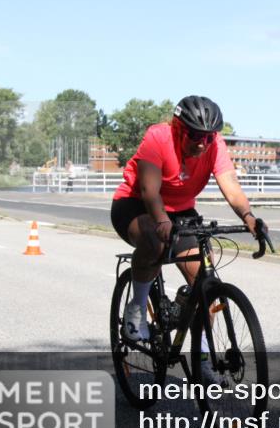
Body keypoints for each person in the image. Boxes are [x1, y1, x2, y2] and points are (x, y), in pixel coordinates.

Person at [109, 96, 268, 369]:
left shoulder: (214, 145)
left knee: (206, 288)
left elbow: (229, 183)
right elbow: (149, 190)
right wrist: (160, 220)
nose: (201, 143)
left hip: (181, 212)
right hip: (136, 205)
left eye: (208, 137)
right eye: (195, 136)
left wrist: (248, 216)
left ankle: (203, 361)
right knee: (155, 242)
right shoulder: (158, 137)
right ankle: (136, 307)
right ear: (177, 127)